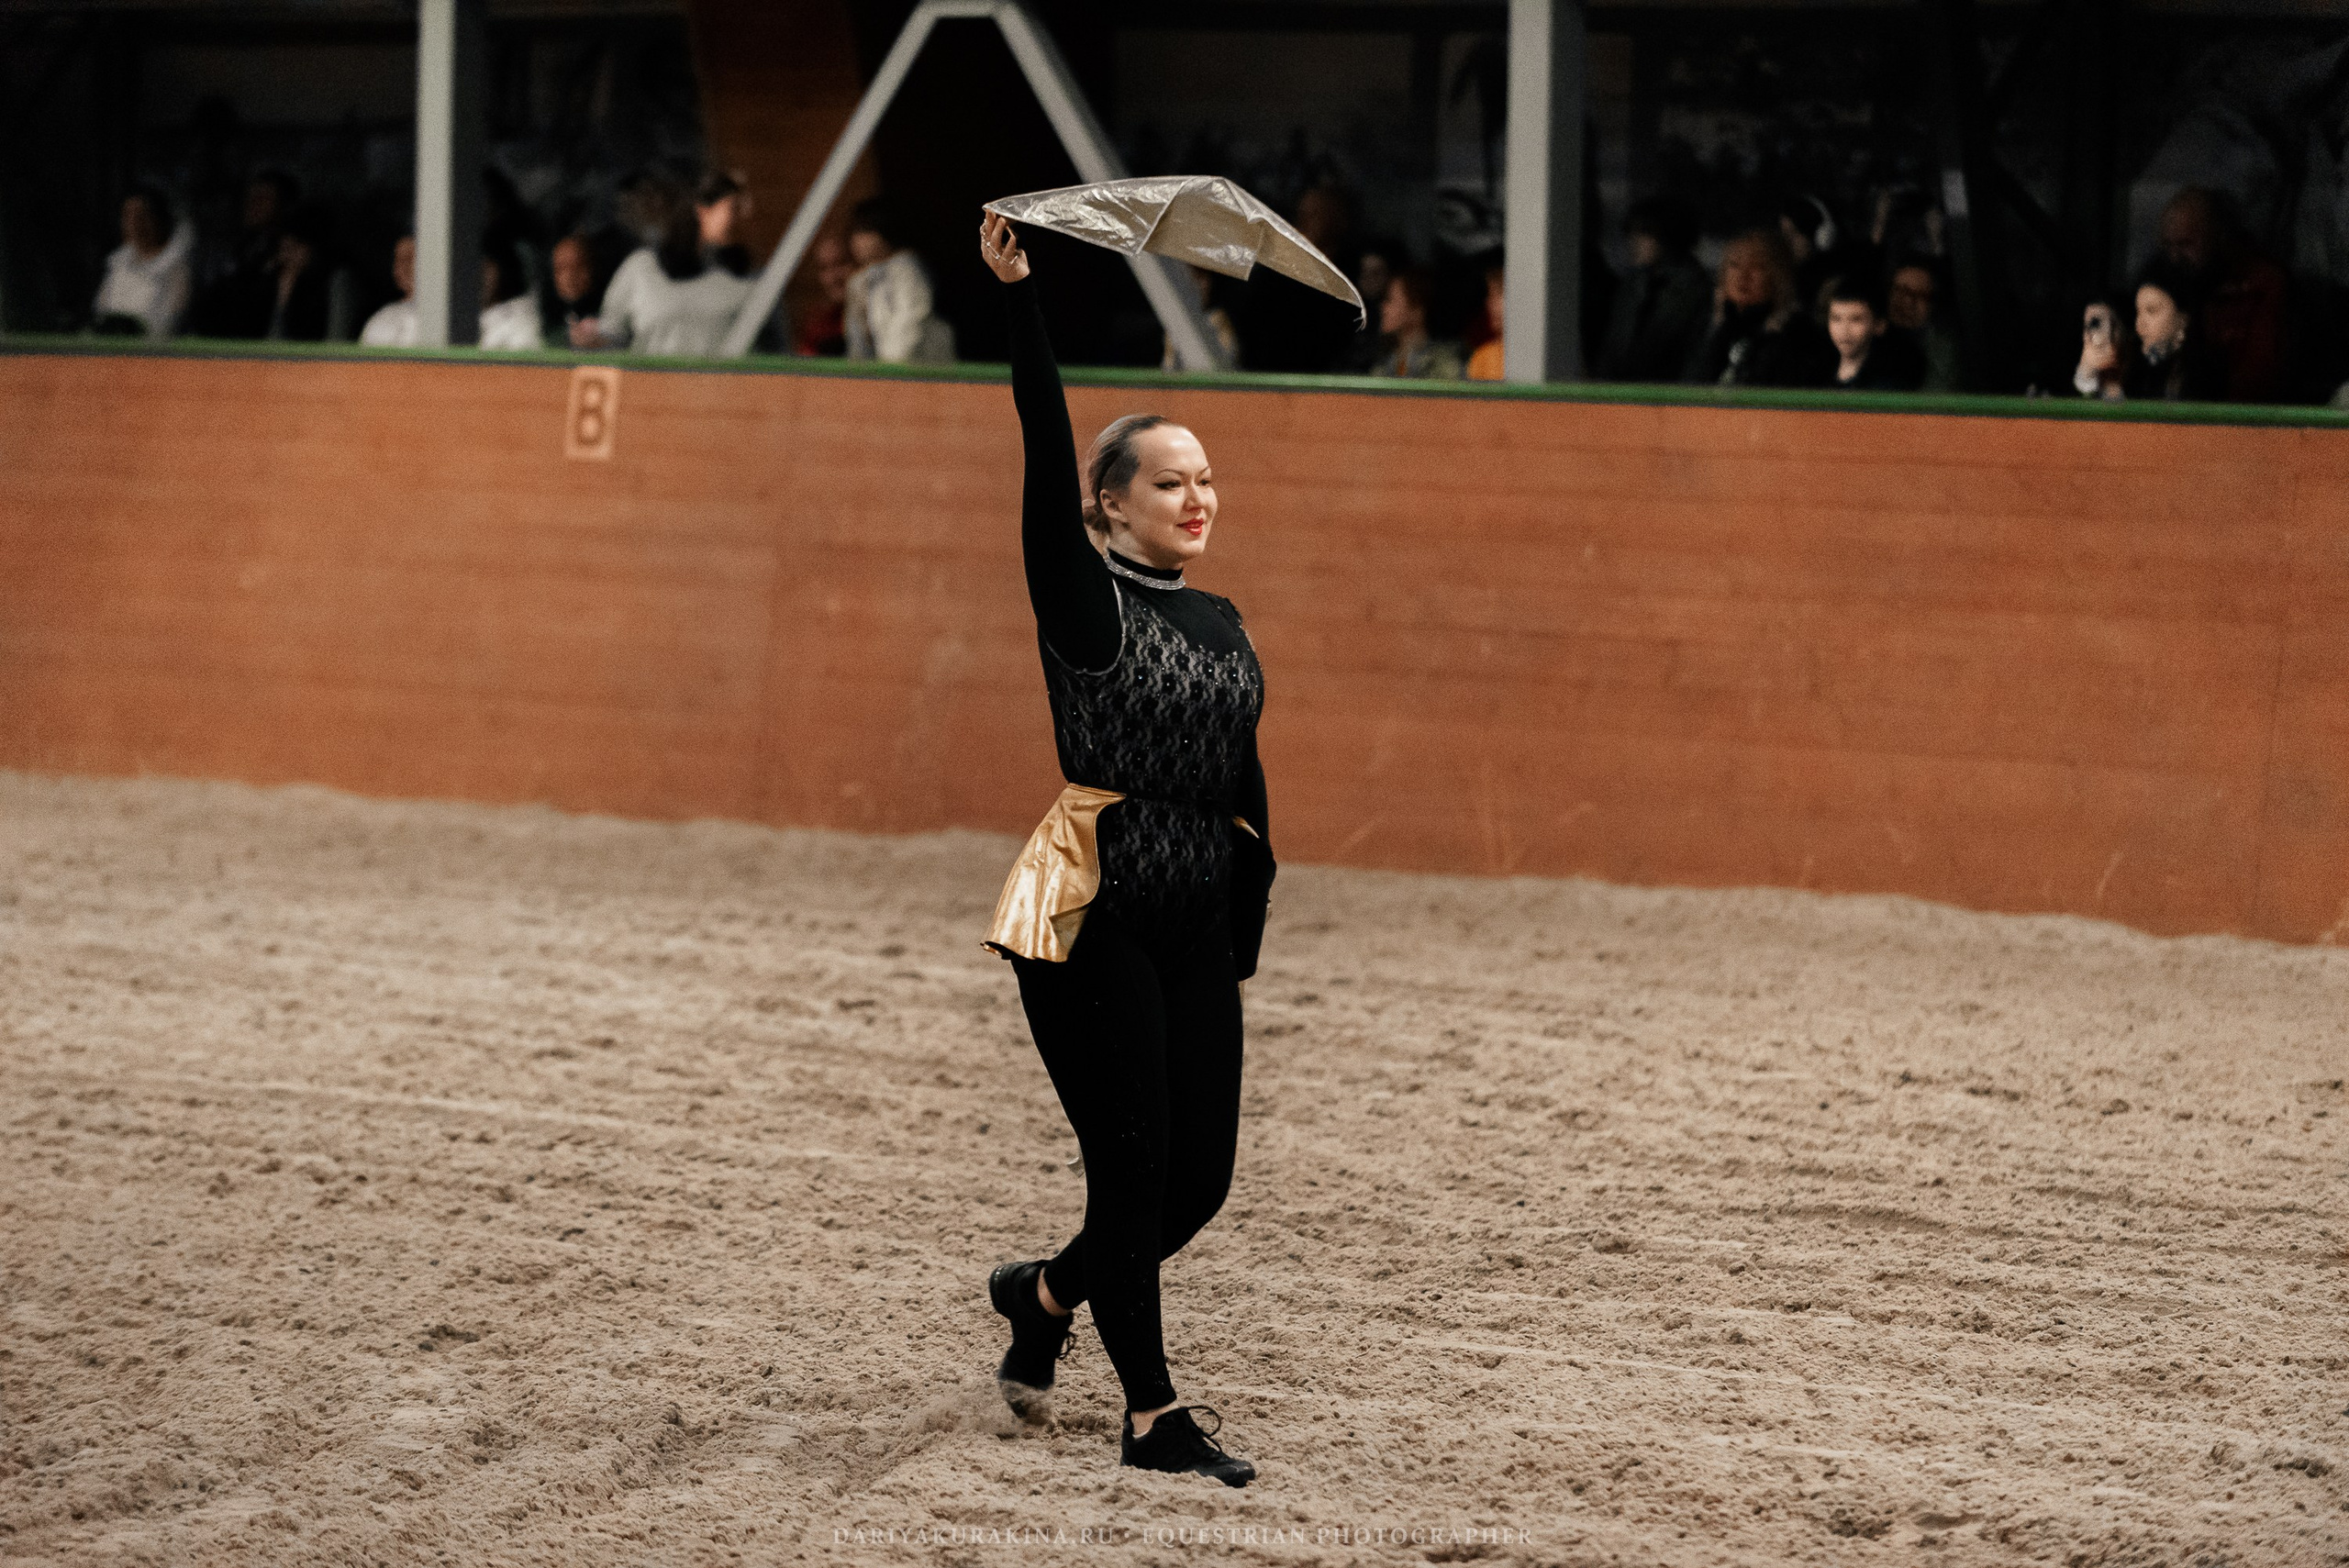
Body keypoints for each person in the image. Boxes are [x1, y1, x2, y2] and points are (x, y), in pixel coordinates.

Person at [974, 208, 1270, 1489]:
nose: (1196, 496)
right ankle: (1153, 1416)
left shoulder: (1218, 615)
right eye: (1168, 479)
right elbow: (1042, 446)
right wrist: (1019, 301)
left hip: (1195, 914)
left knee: (1195, 1183)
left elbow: (1240, 768)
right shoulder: (1080, 595)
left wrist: (1250, 894)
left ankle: (1044, 1296)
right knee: (1134, 1165)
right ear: (1109, 504)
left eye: (1205, 478)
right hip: (1090, 909)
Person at [573, 177, 753, 358]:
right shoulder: (642, 268)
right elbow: (612, 332)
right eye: (734, 208)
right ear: (702, 210)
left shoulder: (744, 282)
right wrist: (592, 336)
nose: (744, 217)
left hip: (716, 384)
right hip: (651, 383)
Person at [2158, 186, 2287, 403]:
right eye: (2168, 246)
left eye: (2186, 244)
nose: (2175, 258)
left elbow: (2257, 381)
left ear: (2220, 237)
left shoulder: (2260, 288)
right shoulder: (2167, 286)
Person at [1685, 228, 1834, 388]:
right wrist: (1717, 329)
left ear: (1778, 276)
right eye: (1734, 265)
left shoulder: (1796, 334)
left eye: (1757, 267)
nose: (1743, 276)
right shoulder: (1709, 325)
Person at [1598, 197, 1711, 382]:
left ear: (1668, 235)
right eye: (1631, 232)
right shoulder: (1633, 285)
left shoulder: (1696, 290)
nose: (1634, 242)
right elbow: (1612, 349)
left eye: (1645, 232)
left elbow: (1695, 357)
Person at [361, 237, 541, 350]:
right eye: (470, 266)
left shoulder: (521, 319)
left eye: (485, 267)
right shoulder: (388, 317)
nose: (476, 276)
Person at [2077, 261, 2220, 403]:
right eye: (2138, 313)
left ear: (2183, 320)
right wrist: (2087, 375)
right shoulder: (2136, 370)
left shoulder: (2207, 372)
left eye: (2152, 311)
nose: (2140, 324)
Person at [844, 197, 955, 363]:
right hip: (883, 373)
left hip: (920, 369)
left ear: (884, 232)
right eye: (855, 233)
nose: (857, 241)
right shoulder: (860, 280)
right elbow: (857, 336)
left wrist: (891, 372)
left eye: (865, 231)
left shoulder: (907, 269)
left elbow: (909, 324)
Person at [190, 169, 297, 339]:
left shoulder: (292, 254)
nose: (253, 204)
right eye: (250, 198)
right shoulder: (238, 249)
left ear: (285, 205)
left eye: (263, 199)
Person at [91, 185, 192, 339]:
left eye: (142, 216)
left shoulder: (175, 266)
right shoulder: (117, 263)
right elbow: (101, 310)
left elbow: (173, 318)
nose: (135, 224)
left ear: (159, 219)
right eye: (128, 216)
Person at [1822, 277, 1923, 391]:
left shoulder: (1889, 385)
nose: (1844, 330)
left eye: (1856, 319)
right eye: (1836, 318)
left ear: (1879, 325)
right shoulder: (1817, 375)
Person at [1369, 268, 1464, 379]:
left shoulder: (1444, 363)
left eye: (1390, 299)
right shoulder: (1382, 362)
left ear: (1417, 310)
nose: (1383, 308)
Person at [1886, 261, 1962, 393]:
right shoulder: (1867, 334)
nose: (1908, 301)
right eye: (1901, 291)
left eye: (1920, 295)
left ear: (1932, 305)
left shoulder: (1942, 348)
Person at [1160, 264, 1240, 372]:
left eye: (1205, 278)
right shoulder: (1176, 321)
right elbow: (1168, 367)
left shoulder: (1218, 317)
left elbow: (1230, 359)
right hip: (1185, 383)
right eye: (1197, 278)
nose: (1204, 284)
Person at [793, 233, 852, 356]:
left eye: (840, 264)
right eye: (824, 268)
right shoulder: (819, 326)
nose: (833, 278)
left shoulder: (877, 314)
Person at [545, 232, 604, 346]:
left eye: (578, 266)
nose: (570, 276)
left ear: (593, 269)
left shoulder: (610, 315)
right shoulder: (545, 324)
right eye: (561, 268)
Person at [1465, 264, 1505, 381]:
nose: (1490, 303)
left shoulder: (1540, 355)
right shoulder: (1482, 357)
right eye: (1491, 295)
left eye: (1499, 295)